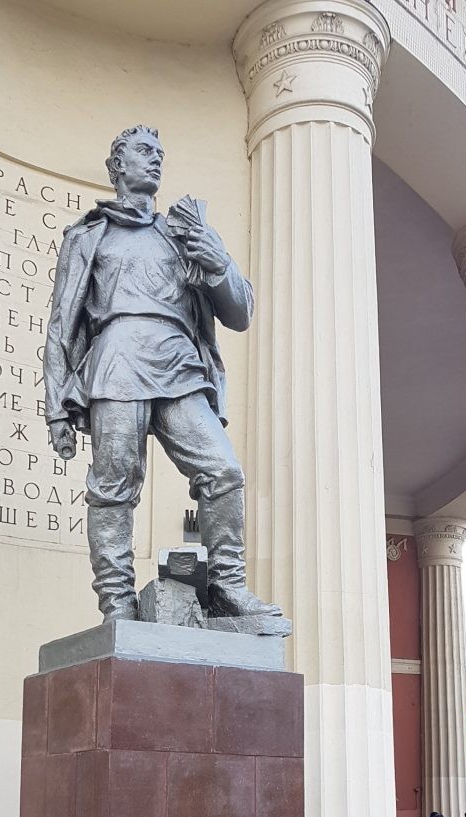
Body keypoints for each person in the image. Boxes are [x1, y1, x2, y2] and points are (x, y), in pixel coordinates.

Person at [44, 123, 281, 623]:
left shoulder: (184, 232)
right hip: (116, 360)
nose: (155, 160)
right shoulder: (90, 235)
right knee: (113, 486)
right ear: (117, 166)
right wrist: (56, 410)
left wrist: (218, 262)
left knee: (223, 471)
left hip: (179, 363)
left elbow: (239, 312)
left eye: (160, 153)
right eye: (144, 151)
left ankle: (227, 587)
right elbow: (62, 323)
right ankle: (117, 605)